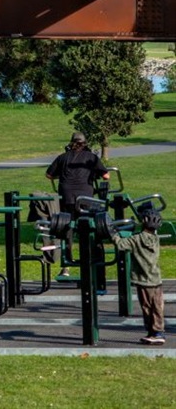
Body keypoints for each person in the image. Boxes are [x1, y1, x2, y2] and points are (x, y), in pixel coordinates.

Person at [45, 131, 109, 276]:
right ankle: (90, 261)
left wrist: (60, 175)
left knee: (67, 228)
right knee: (88, 229)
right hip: (86, 198)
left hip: (67, 197)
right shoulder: (91, 158)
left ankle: (66, 265)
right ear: (85, 143)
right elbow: (106, 175)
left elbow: (48, 175)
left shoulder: (63, 158)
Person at [112, 210, 165, 344]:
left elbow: (120, 244)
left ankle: (155, 332)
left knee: (147, 306)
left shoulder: (135, 239)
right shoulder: (156, 239)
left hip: (143, 279)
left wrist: (113, 233)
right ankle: (156, 331)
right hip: (156, 279)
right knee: (157, 306)